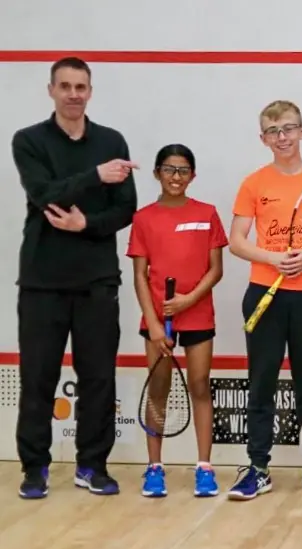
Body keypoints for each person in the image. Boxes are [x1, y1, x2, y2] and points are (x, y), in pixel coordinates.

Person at [13, 56, 138, 499]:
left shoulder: (111, 140)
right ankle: (34, 469)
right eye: (64, 86)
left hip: (97, 280)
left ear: (89, 91)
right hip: (42, 281)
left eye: (80, 86)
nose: (72, 94)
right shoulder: (27, 140)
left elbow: (125, 209)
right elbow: (43, 193)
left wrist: (86, 225)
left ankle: (92, 466)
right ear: (51, 90)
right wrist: (96, 176)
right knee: (39, 377)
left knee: (98, 376)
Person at [227, 100, 302, 500]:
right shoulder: (254, 184)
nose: (282, 137)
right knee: (260, 382)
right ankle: (257, 467)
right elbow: (237, 242)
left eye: (289, 129)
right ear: (263, 138)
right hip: (264, 294)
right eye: (274, 131)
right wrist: (273, 257)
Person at [126, 144, 228, 498]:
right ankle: (154, 468)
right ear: (157, 173)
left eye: (183, 170)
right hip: (157, 320)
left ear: (193, 176)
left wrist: (187, 300)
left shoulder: (208, 213)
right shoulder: (143, 218)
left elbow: (216, 269)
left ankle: (204, 467)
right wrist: (154, 325)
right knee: (158, 392)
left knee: (200, 386)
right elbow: (139, 275)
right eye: (169, 169)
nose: (176, 177)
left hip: (198, 314)